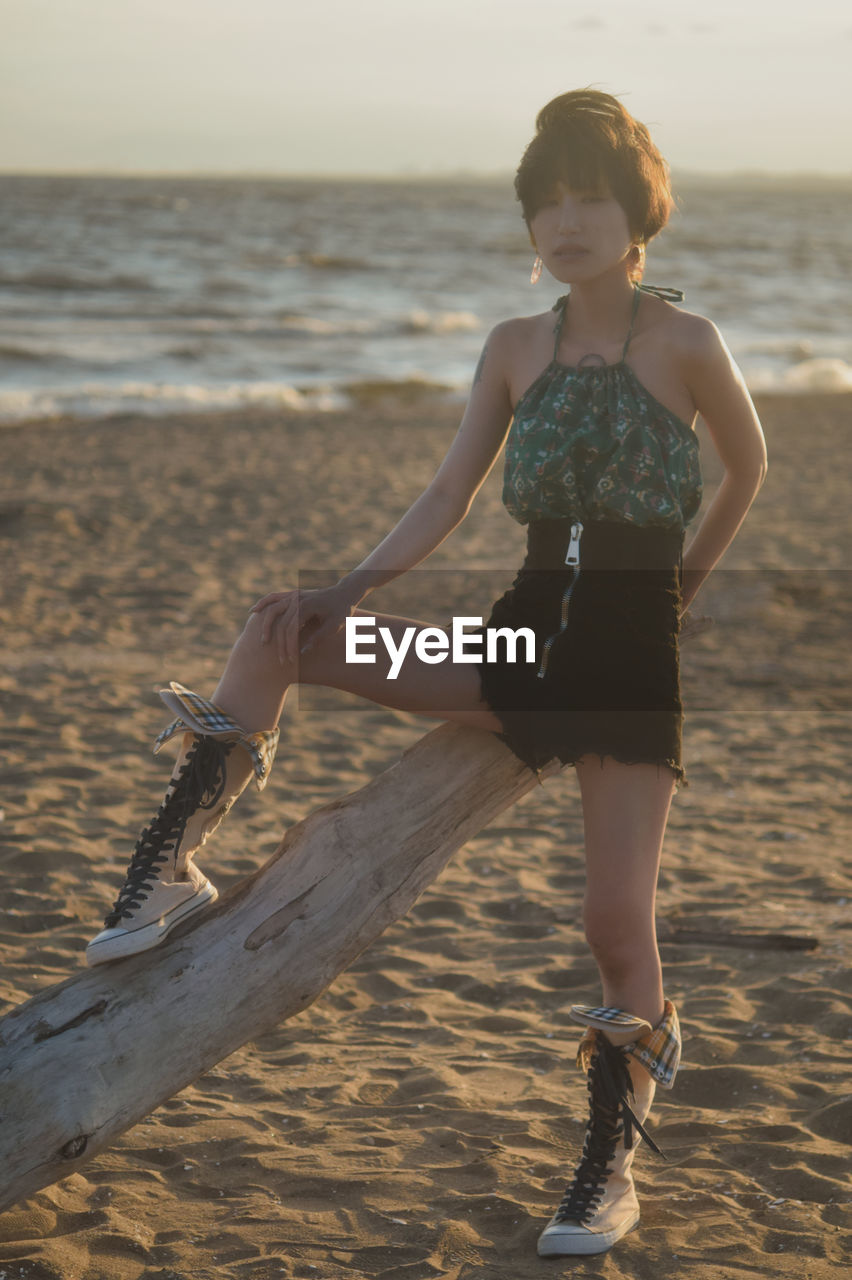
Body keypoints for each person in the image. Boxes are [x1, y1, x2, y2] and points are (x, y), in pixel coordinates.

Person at [85, 90, 767, 1257]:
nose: (567, 218)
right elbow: (449, 494)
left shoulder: (686, 342)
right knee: (279, 632)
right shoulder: (514, 345)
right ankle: (169, 873)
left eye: (590, 194)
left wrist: (682, 592)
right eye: (547, 198)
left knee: (614, 920)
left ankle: (610, 1164)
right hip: (511, 649)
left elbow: (749, 468)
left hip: (625, 667)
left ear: (638, 207)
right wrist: (346, 589)